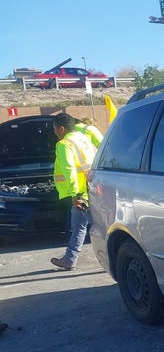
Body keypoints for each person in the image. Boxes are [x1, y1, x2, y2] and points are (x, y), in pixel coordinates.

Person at [50, 113, 98, 270]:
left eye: (55, 129)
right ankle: (69, 259)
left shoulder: (64, 144)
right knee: (78, 226)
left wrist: (75, 195)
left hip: (81, 194)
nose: (54, 132)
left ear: (61, 128)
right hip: (92, 188)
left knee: (97, 228)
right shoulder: (82, 138)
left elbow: (69, 170)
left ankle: (113, 259)